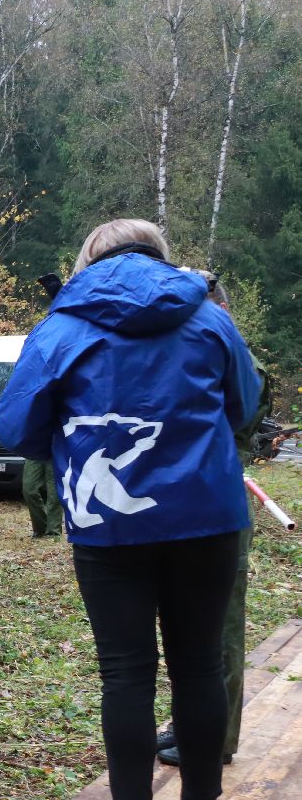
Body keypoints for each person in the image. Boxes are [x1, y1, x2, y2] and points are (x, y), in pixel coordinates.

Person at [0, 218, 260, 800]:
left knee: (127, 672)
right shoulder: (212, 318)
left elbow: (14, 427)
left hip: (109, 525)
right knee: (198, 664)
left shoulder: (61, 327)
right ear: (161, 255)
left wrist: (70, 442)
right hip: (207, 514)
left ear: (88, 258)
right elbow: (245, 403)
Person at [160, 279, 270, 770]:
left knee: (219, 629)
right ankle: (187, 725)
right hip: (183, 503)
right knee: (184, 631)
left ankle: (216, 739)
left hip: (219, 505)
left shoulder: (245, 367)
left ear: (219, 312)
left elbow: (234, 422)